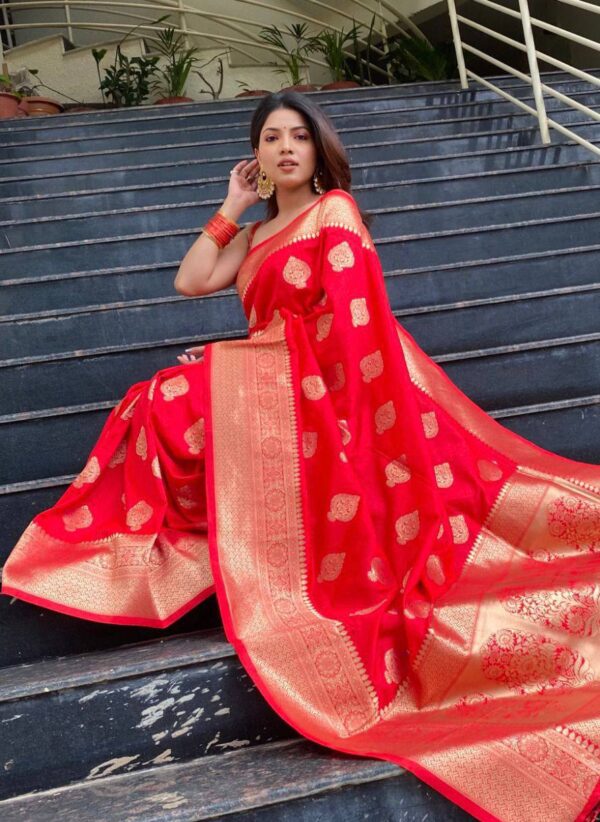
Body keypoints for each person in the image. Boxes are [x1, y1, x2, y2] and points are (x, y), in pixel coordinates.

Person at [2, 91, 599, 822]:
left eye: (299, 138)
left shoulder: (334, 214)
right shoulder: (254, 236)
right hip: (268, 386)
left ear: (318, 151)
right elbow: (191, 280)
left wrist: (242, 359)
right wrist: (230, 205)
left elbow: (351, 329)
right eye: (271, 139)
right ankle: (141, 555)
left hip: (322, 394)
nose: (286, 149)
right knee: (152, 401)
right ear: (255, 156)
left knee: (162, 398)